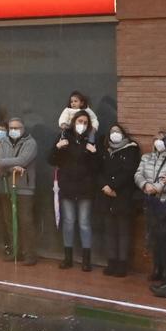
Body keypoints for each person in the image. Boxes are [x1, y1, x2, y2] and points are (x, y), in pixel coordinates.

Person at [52, 110, 101, 270]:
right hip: (67, 186)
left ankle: (86, 260)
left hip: (85, 188)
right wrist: (57, 147)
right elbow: (51, 159)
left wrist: (94, 153)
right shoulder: (64, 137)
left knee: (85, 223)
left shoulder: (92, 140)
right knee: (68, 222)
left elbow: (97, 167)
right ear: (73, 122)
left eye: (85, 122)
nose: (82, 125)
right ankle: (68, 258)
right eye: (80, 121)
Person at [139, 131, 166, 298]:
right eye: (155, 140)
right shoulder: (147, 157)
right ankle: (157, 268)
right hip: (151, 200)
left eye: (161, 140)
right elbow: (139, 173)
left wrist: (158, 188)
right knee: (154, 236)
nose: (158, 143)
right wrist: (145, 185)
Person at [0, 117, 38, 264]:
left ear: (23, 129)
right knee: (10, 220)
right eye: (11, 128)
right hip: (7, 186)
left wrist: (3, 163)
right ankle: (16, 251)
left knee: (25, 221)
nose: (13, 130)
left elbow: (23, 160)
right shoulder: (4, 142)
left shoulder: (30, 143)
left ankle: (30, 254)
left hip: (24, 188)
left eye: (17, 128)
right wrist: (11, 165)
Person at [98, 123, 141, 278]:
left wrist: (114, 186)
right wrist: (104, 186)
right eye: (112, 132)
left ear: (123, 134)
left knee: (123, 231)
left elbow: (130, 171)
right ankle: (112, 262)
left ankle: (122, 263)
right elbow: (99, 170)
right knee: (109, 231)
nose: (114, 134)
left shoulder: (131, 149)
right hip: (106, 195)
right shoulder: (105, 151)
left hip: (123, 195)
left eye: (117, 131)